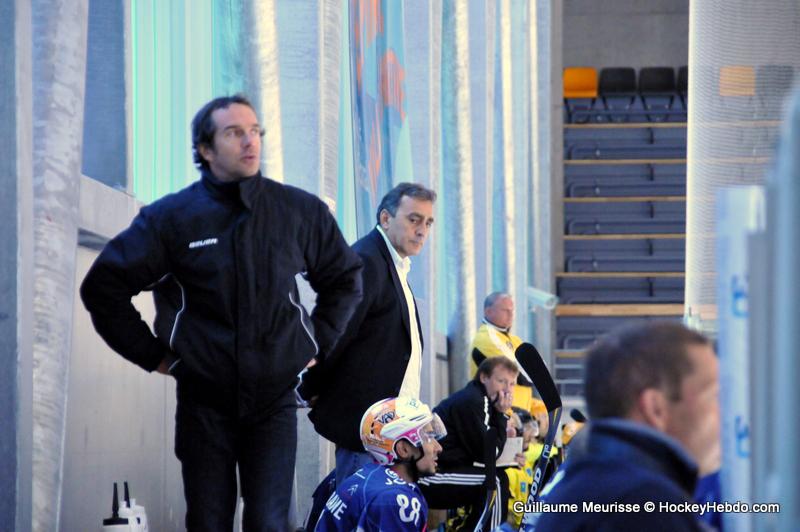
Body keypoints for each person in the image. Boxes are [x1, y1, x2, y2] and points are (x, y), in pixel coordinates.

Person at [80, 95, 364, 531]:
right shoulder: (171, 219)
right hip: (204, 400)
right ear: (205, 149)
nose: (250, 142)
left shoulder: (297, 211)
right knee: (209, 521)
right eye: (234, 133)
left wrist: (316, 344)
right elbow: (103, 287)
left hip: (273, 400)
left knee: (269, 521)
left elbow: (345, 278)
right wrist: (155, 356)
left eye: (255, 131)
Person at [299, 183, 437, 486]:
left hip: (388, 431)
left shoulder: (394, 265)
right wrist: (311, 386)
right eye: (414, 219)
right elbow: (337, 332)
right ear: (386, 218)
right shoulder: (367, 260)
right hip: (368, 431)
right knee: (363, 508)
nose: (422, 230)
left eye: (428, 223)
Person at [532, 321, 720, 531]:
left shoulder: (590, 483)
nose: (724, 413)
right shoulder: (644, 506)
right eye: (714, 396)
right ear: (656, 408)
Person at [315, 396, 446, 531]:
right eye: (429, 437)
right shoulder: (393, 500)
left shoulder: (370, 475)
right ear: (403, 449)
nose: (438, 448)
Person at [418, 356, 518, 530]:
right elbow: (489, 454)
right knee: (495, 481)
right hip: (429, 476)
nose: (507, 390)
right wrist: (502, 414)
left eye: (512, 384)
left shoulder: (479, 399)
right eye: (501, 381)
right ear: (484, 377)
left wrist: (513, 458)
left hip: (446, 469)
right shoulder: (474, 400)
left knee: (498, 477)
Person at [469, 292, 541, 414]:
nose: (511, 315)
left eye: (512, 310)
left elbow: (541, 373)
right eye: (505, 310)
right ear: (488, 311)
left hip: (518, 414)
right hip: (498, 415)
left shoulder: (514, 340)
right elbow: (525, 377)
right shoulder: (487, 338)